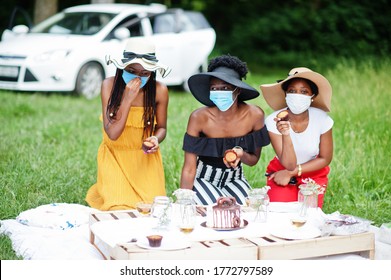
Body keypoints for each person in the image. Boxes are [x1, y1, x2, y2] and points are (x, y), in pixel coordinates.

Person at [86, 37, 171, 210]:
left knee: (152, 209)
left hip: (144, 160)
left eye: (145, 73)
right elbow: (113, 133)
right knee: (119, 207)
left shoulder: (159, 91)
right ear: (122, 67)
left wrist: (155, 138)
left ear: (152, 73)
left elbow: (162, 128)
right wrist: (126, 99)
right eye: (131, 70)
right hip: (114, 157)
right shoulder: (108, 85)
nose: (138, 77)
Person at [180, 55, 270, 205]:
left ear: (238, 90)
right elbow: (189, 168)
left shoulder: (254, 115)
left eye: (225, 88)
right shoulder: (199, 118)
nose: (219, 92)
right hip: (204, 177)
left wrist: (241, 154)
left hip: (235, 178)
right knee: (216, 211)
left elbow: (253, 160)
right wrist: (184, 201)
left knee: (249, 211)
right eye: (214, 88)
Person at [260, 67, 333, 208]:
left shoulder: (321, 118)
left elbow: (325, 158)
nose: (297, 95)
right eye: (292, 91)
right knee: (279, 211)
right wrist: (286, 134)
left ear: (313, 96)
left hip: (312, 170)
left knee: (308, 213)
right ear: (286, 95)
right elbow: (288, 164)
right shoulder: (273, 120)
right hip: (281, 168)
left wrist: (292, 172)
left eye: (304, 91)